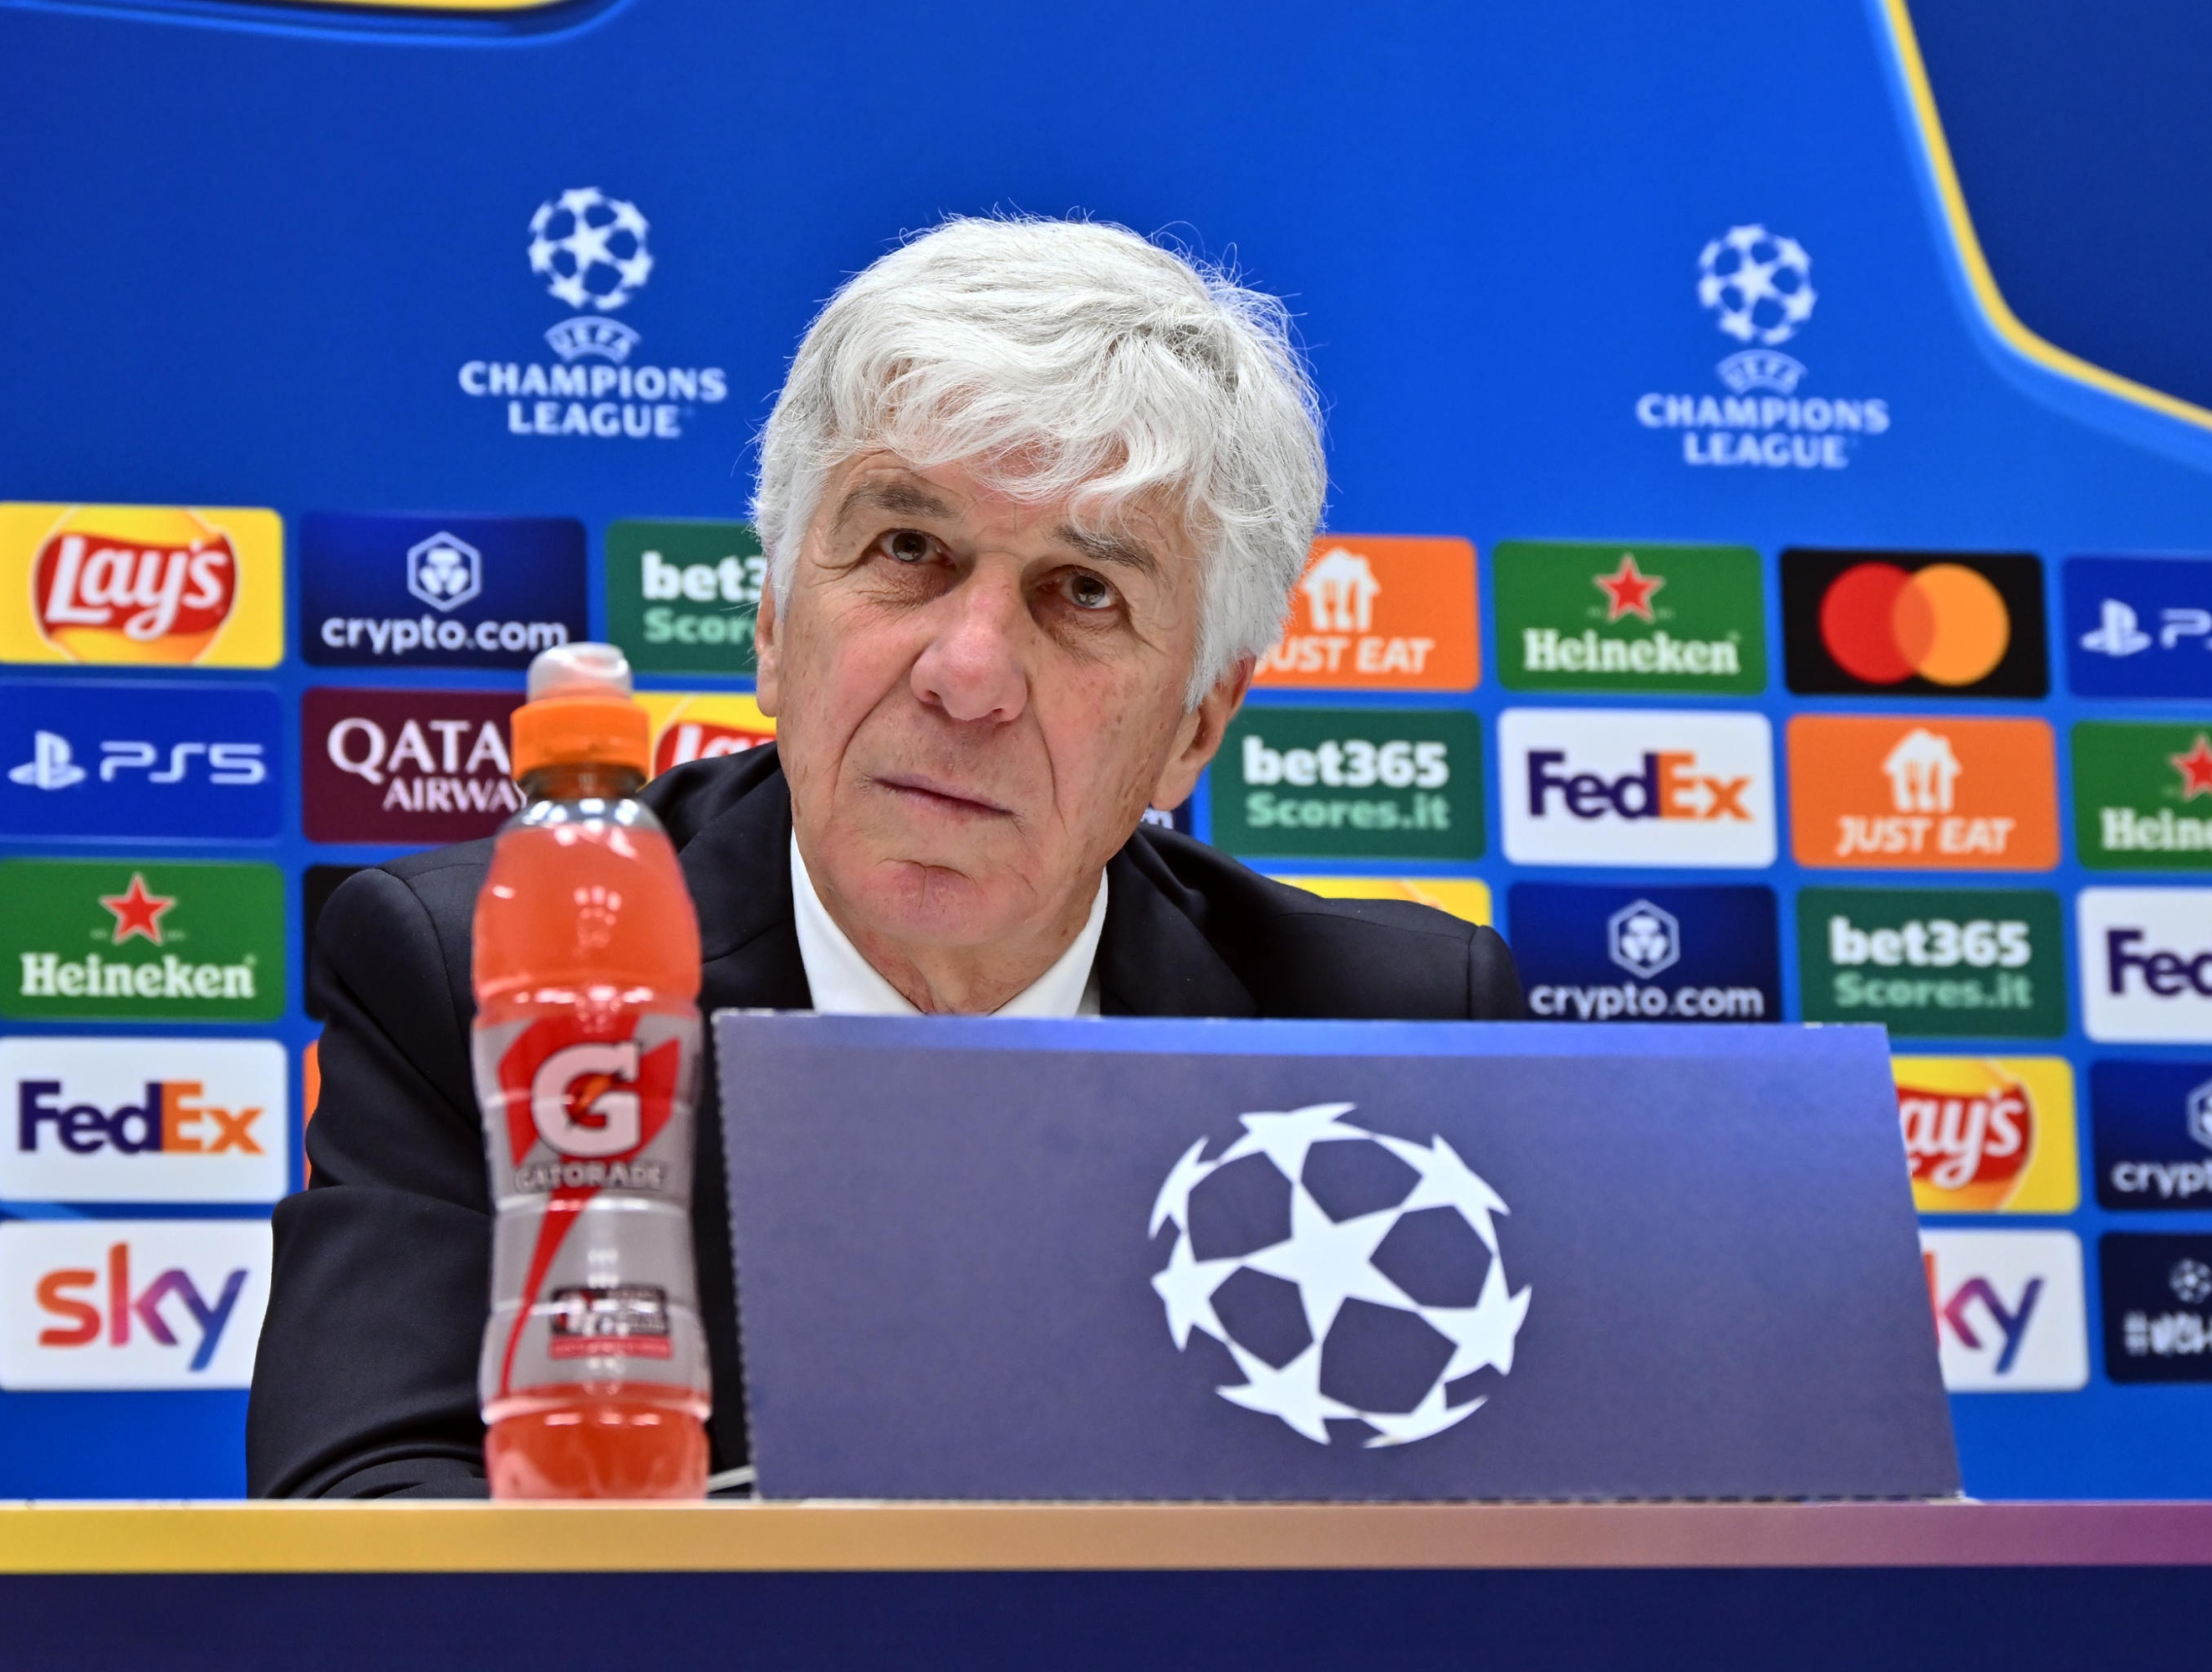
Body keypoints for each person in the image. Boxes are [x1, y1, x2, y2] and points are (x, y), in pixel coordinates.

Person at [247, 215, 1526, 1499]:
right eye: (908, 550)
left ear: (1195, 725)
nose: (968, 674)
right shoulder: (494, 975)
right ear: (771, 624)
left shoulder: (1382, 1033)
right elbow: (368, 1530)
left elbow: (1529, 1556)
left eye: (1084, 592)